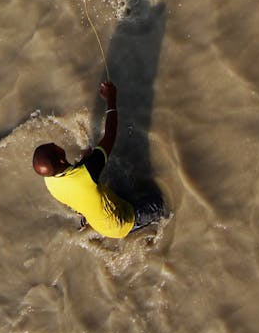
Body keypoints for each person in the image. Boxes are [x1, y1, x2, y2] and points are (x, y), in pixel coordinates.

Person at [33, 80, 166, 239]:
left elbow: (73, 190)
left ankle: (88, 219)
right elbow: (110, 135)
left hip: (98, 221)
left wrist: (85, 161)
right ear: (61, 160)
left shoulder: (50, 182)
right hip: (121, 224)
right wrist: (111, 100)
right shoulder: (87, 172)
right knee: (160, 204)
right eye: (54, 147)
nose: (55, 144)